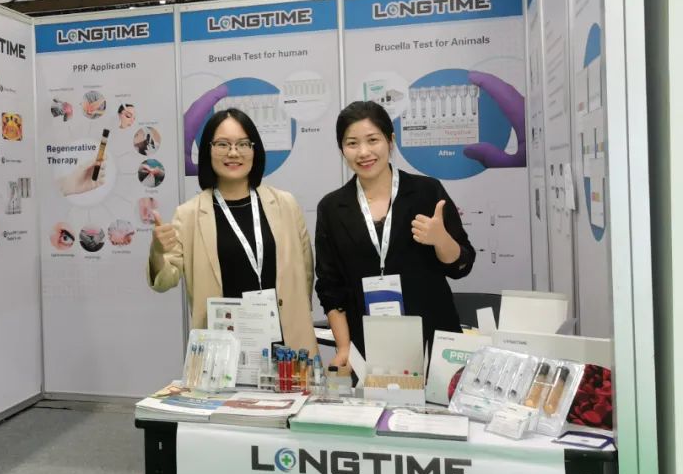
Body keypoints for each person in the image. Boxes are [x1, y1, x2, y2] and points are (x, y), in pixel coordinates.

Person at [147, 108, 318, 356]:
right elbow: (164, 281)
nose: (233, 152)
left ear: (254, 150)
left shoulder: (285, 205)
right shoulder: (189, 215)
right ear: (208, 150)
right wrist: (157, 253)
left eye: (243, 144)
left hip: (287, 349)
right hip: (223, 353)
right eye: (223, 144)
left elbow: (305, 273)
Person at [315, 101, 475, 364]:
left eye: (372, 140)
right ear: (342, 149)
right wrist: (344, 349)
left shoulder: (426, 192)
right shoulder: (332, 208)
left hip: (432, 338)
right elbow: (330, 287)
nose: (363, 152)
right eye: (352, 143)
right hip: (368, 344)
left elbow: (462, 266)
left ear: (390, 141)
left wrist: (441, 240)